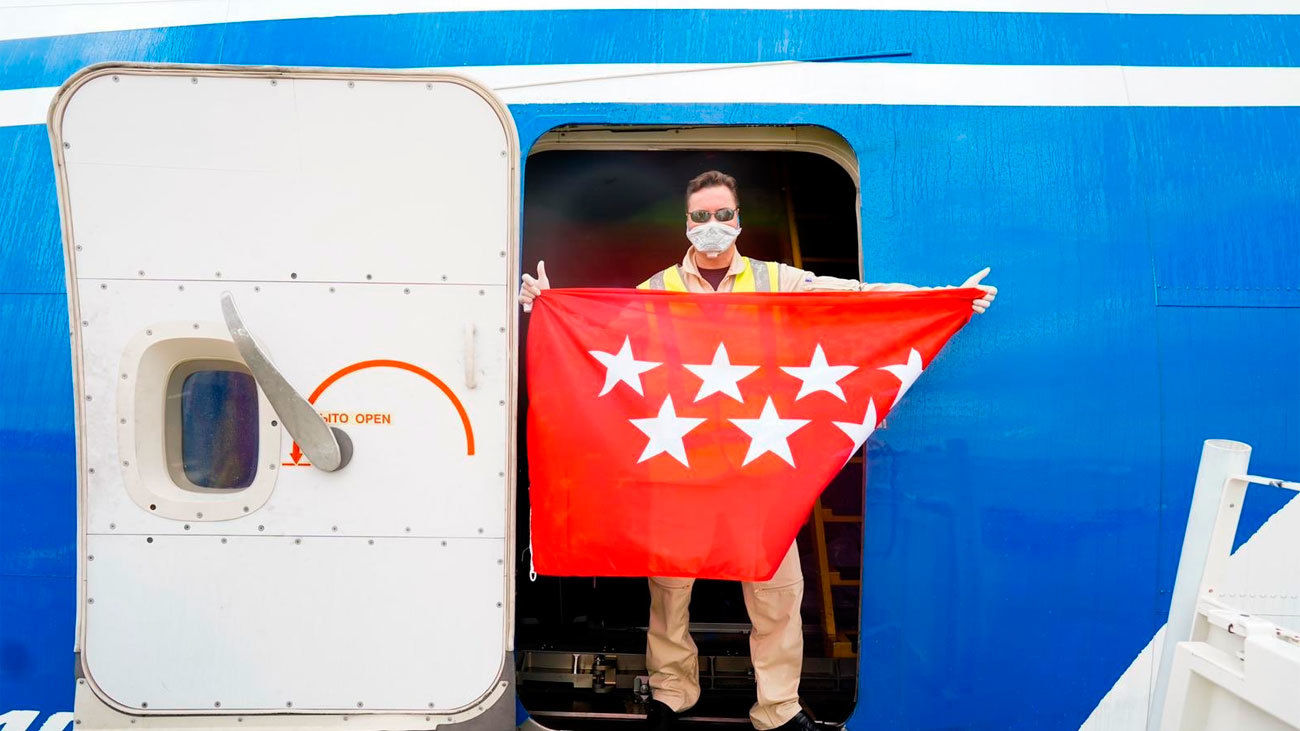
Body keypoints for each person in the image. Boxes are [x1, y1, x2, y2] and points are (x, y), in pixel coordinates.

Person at [519, 170, 996, 731]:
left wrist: (942, 300)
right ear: (686, 223)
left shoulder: (775, 279)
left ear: (739, 220)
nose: (713, 226)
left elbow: (851, 300)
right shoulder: (659, 289)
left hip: (757, 465)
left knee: (776, 589)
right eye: (701, 216)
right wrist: (547, 307)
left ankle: (778, 709)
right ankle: (672, 695)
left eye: (723, 215)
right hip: (680, 463)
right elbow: (597, 337)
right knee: (669, 589)